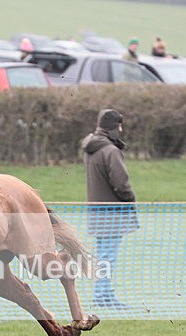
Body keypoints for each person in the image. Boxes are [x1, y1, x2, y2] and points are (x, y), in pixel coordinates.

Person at [81, 109, 138, 309]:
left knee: (103, 255)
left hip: (96, 210)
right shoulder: (111, 151)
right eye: (119, 126)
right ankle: (102, 296)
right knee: (108, 256)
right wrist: (131, 199)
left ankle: (103, 294)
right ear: (113, 128)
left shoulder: (91, 148)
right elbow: (121, 184)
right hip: (112, 212)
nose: (121, 130)